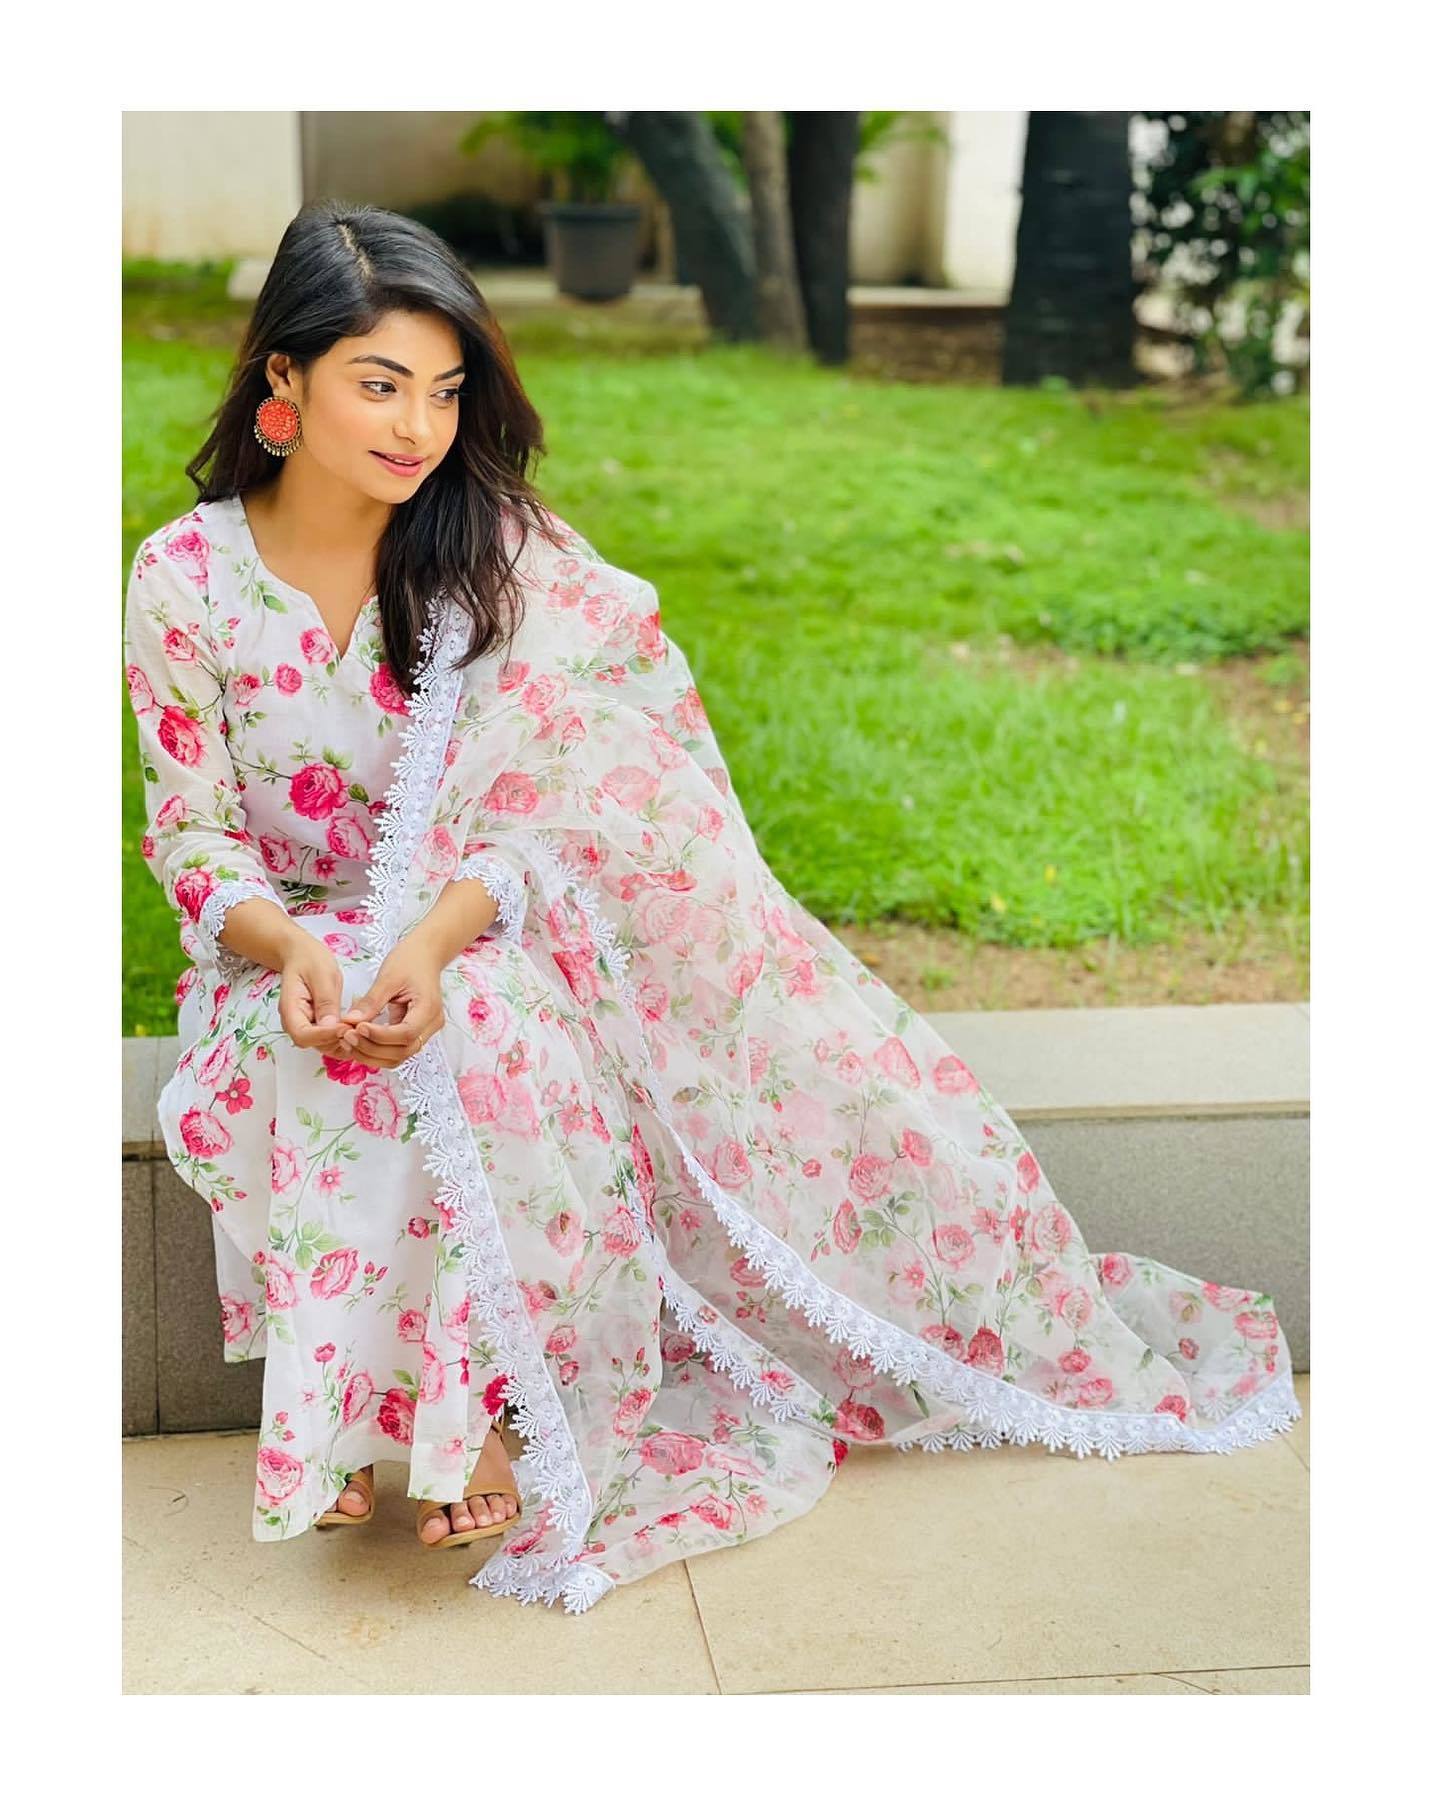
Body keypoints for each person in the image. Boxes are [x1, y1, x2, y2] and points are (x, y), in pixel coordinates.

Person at [124, 200, 1302, 1618]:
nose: (418, 427)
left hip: (466, 930)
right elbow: (190, 829)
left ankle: (459, 1424)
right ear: (285, 377)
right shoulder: (184, 577)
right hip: (279, 949)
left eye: (445, 389)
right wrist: (292, 946)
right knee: (325, 1053)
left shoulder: (490, 552)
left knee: (476, 1031)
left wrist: (430, 939)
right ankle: (362, 1420)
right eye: (379, 384)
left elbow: (565, 780)